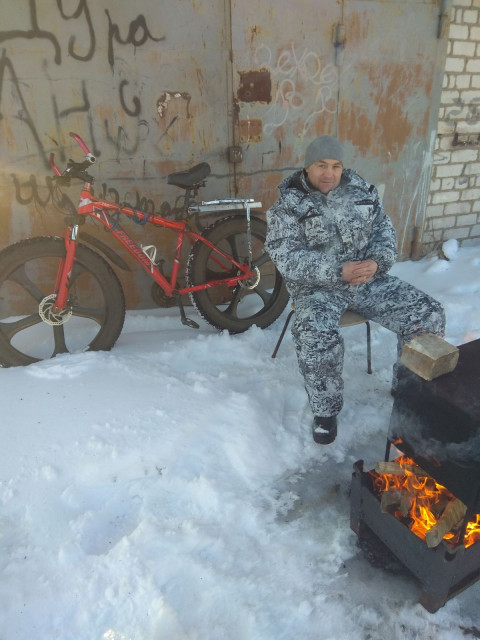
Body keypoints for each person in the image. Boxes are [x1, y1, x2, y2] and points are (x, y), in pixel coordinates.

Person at [265, 135, 445, 445]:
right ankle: (325, 411)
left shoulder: (363, 192)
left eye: (335, 166)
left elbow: (385, 233)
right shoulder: (289, 205)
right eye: (321, 165)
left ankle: (410, 390)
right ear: (307, 167)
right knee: (313, 332)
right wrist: (337, 271)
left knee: (427, 314)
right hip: (318, 288)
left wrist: (377, 263)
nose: (329, 173)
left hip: (367, 281)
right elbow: (286, 257)